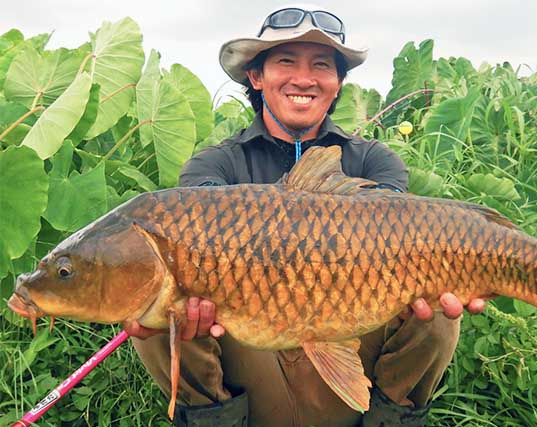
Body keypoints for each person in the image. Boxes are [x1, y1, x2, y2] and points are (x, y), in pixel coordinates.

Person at [126, 6, 486, 426]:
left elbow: (396, 243)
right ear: (256, 78)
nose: (304, 78)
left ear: (337, 84)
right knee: (158, 307)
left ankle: (386, 420)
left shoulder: (374, 161)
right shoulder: (215, 166)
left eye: (321, 65)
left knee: (436, 302)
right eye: (285, 61)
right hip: (254, 362)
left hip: (349, 342)